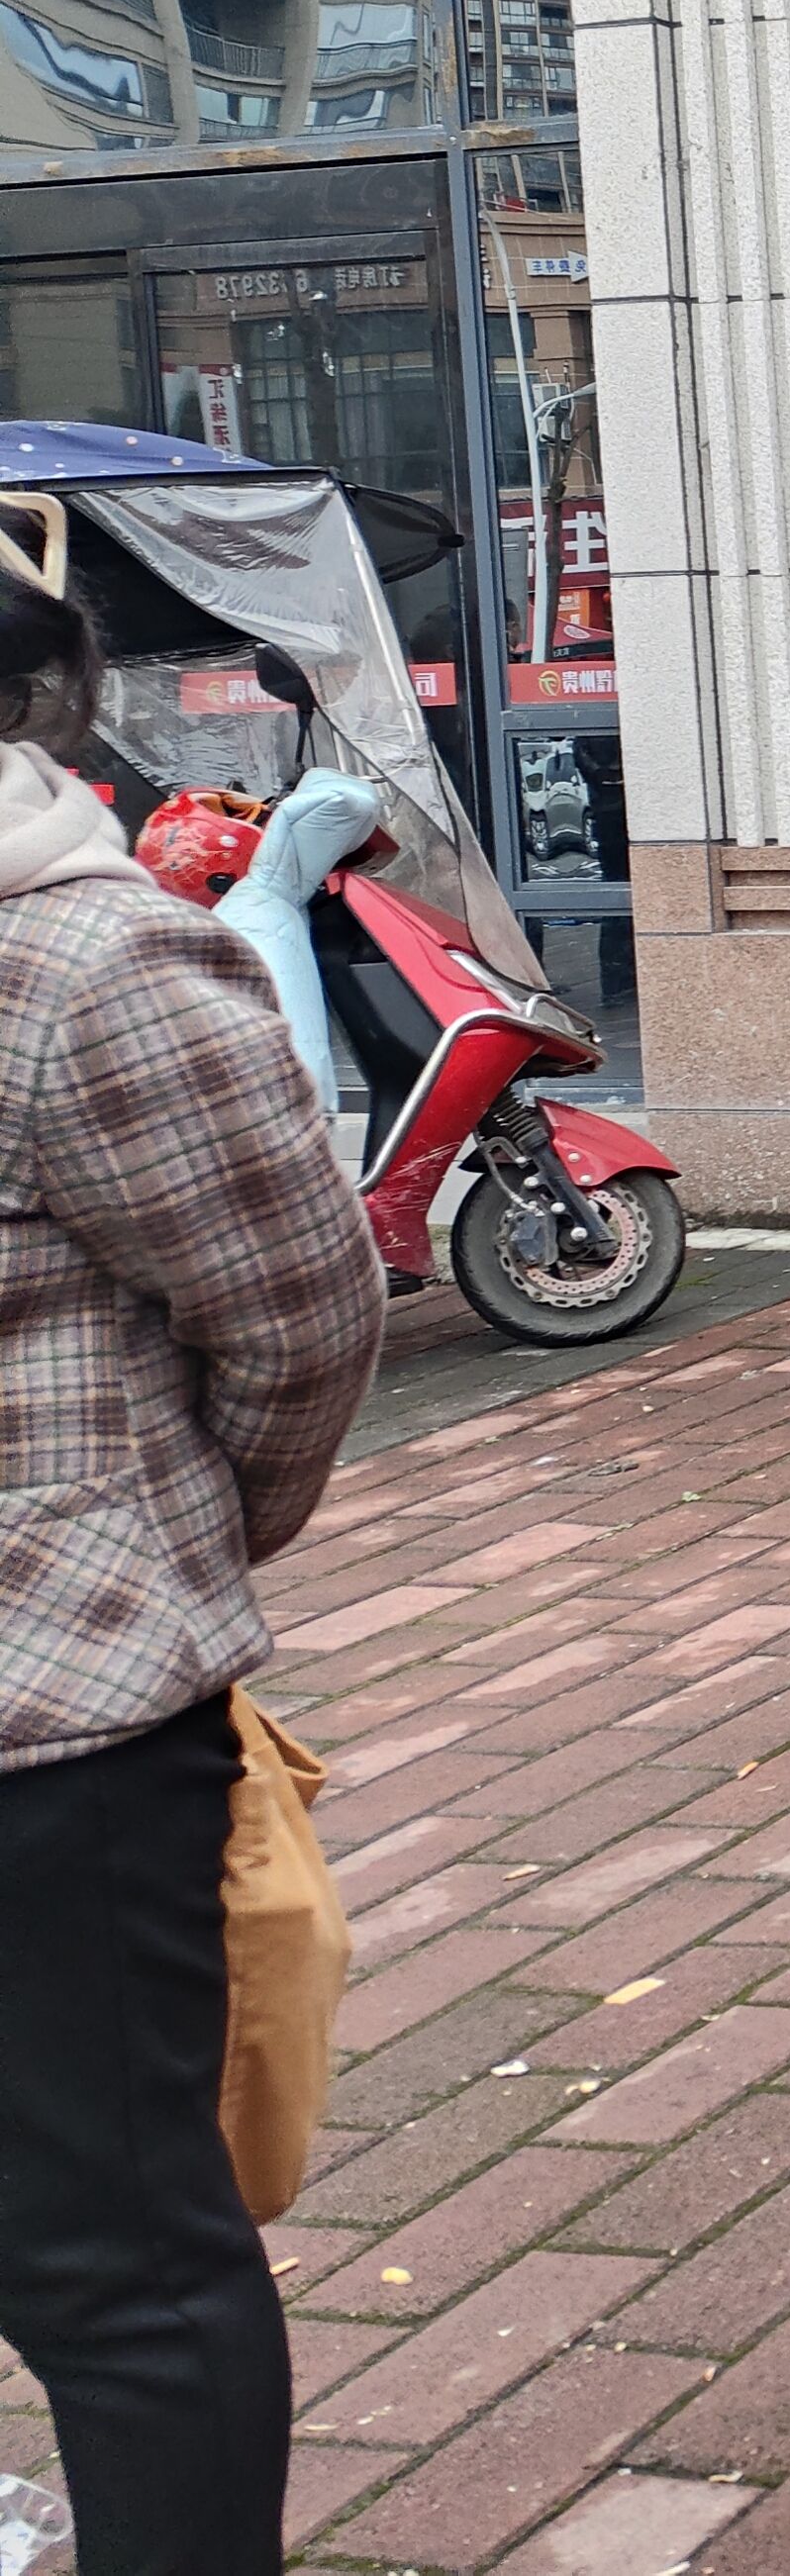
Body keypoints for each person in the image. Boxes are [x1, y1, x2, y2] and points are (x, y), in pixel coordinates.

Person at [0, 512, 384, 2571]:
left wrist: (138, 1553)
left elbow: (299, 1318)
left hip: (51, 1732)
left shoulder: (89, 963)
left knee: (117, 2267)